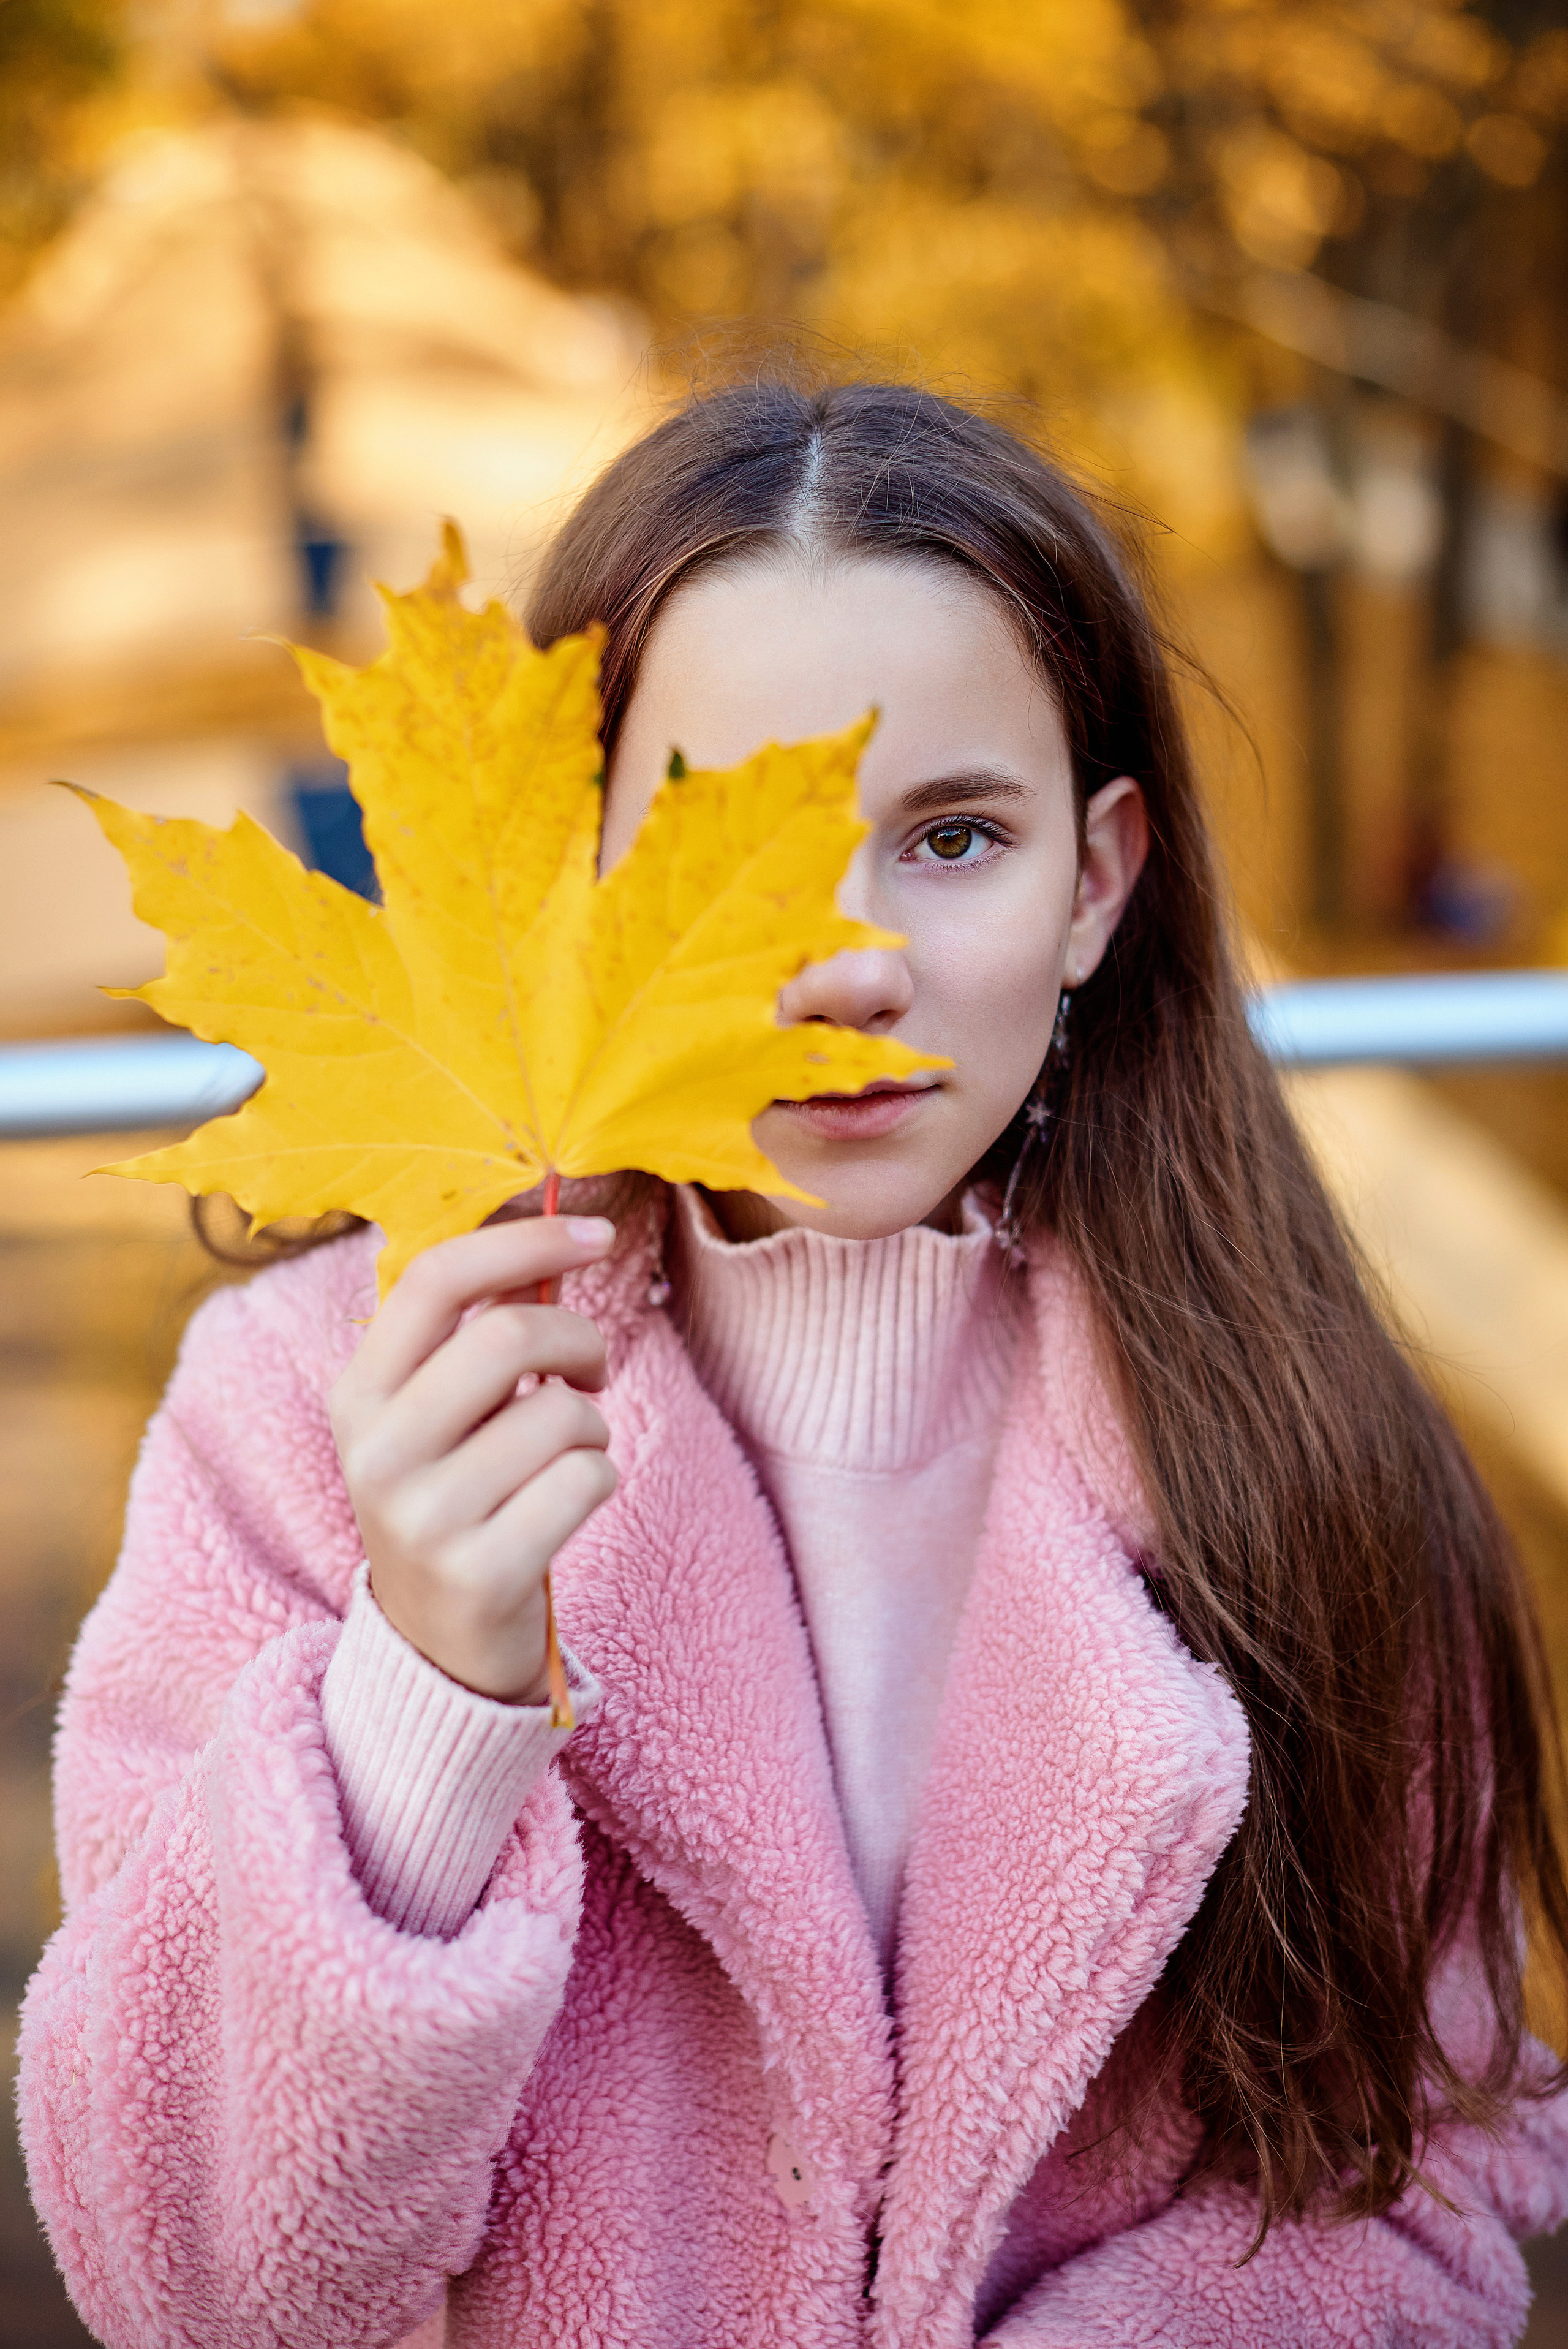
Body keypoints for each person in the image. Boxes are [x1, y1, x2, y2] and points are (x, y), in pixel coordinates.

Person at [18, 379, 1568, 2348]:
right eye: (723, 848)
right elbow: (206, 2286)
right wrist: (415, 1696)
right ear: (574, 886)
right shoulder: (303, 1422)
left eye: (951, 835)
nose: (847, 960)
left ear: (1096, 883)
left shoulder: (1304, 1447)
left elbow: (1415, 2197)